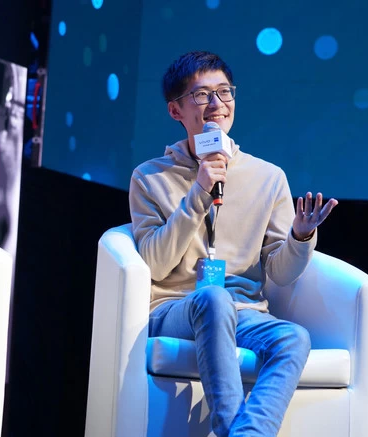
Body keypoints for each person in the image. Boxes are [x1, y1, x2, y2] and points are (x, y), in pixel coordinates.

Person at [129, 50, 338, 436]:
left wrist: (300, 236)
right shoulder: (149, 178)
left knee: (293, 337)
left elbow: (280, 272)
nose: (217, 104)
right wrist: (199, 191)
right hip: (176, 309)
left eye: (224, 92)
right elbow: (155, 264)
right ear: (175, 110)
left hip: (243, 312)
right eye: (202, 94)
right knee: (213, 298)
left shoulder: (268, 177)